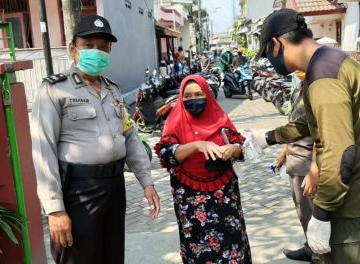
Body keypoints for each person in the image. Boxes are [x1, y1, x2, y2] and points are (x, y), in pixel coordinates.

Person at [245, 9, 360, 263]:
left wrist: (320, 214)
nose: (269, 62)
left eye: (267, 54)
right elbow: (312, 124)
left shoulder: (323, 75)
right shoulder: (334, 61)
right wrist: (268, 138)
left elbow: (340, 152)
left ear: (276, 44)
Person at [31, 15, 160, 264]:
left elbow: (129, 137)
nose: (96, 52)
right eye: (89, 45)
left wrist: (146, 181)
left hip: (114, 186)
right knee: (79, 258)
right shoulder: (54, 89)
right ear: (73, 49)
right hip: (78, 190)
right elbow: (42, 149)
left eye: (103, 47)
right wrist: (55, 209)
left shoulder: (113, 90)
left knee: (112, 256)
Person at [154, 75, 252, 263]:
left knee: (232, 241)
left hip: (225, 194)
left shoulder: (220, 118)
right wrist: (197, 145)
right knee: (197, 246)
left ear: (208, 94)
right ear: (180, 97)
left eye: (199, 94)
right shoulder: (175, 121)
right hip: (189, 197)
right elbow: (166, 155)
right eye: (188, 95)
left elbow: (242, 147)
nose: (193, 99)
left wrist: (234, 149)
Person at [274, 71, 319, 263]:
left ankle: (321, 254)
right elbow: (292, 125)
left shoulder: (317, 90)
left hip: (308, 161)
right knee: (302, 210)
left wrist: (315, 169)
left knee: (314, 212)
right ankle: (311, 248)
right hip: (295, 159)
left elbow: (322, 131)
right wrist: (284, 153)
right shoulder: (298, 88)